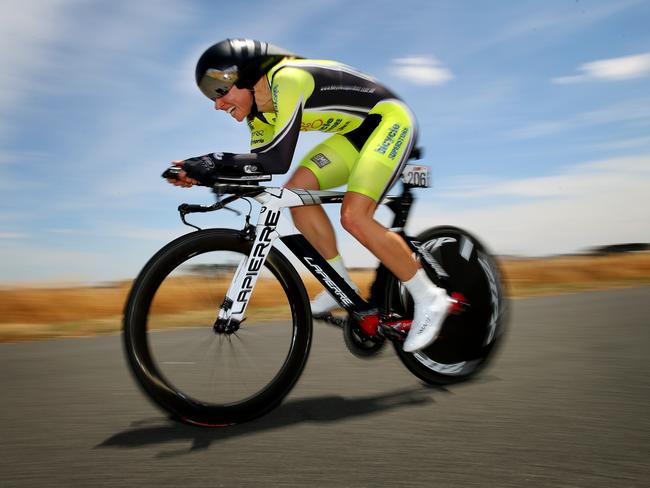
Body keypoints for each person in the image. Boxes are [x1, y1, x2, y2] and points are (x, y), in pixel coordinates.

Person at [167, 38, 450, 352]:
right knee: (295, 196)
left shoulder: (287, 79)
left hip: (389, 122)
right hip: (352, 137)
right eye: (211, 95)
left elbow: (275, 160)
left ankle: (430, 297)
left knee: (354, 217)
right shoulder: (258, 116)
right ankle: (340, 283)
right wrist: (201, 173)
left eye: (219, 90)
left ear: (246, 77)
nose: (216, 103)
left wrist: (212, 163)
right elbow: (258, 170)